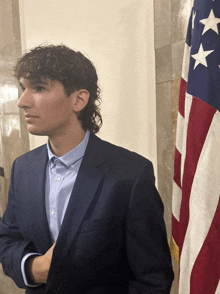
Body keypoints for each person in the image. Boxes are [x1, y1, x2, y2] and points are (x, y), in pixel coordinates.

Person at [0, 45, 174, 294]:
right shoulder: (23, 168)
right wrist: (31, 267)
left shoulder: (130, 174)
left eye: (38, 88)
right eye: (23, 88)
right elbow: (8, 238)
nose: (22, 102)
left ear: (79, 99)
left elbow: (152, 278)